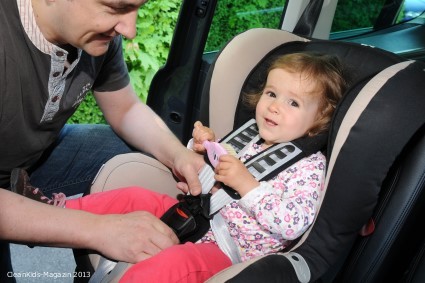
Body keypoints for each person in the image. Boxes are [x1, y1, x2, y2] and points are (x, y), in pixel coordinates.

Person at [13, 52, 347, 282]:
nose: (274, 107)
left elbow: (291, 225)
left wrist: (247, 185)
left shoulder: (309, 168)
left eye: (293, 102)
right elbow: (209, 174)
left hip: (229, 251)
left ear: (320, 118)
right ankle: (59, 210)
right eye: (271, 93)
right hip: (197, 215)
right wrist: (200, 148)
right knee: (132, 196)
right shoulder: (252, 140)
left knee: (173, 267)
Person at [0, 0, 205, 280]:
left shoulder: (98, 36)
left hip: (29, 160)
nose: (130, 30)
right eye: (116, 8)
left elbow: (125, 108)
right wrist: (100, 229)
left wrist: (178, 155)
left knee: (129, 149)